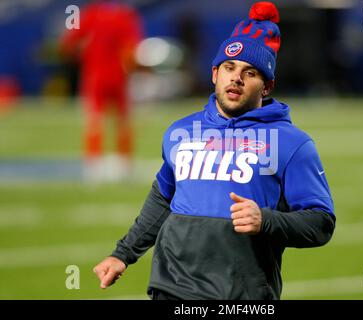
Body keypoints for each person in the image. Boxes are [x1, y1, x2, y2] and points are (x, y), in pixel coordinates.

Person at [93, 1, 335, 300]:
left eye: (250, 72)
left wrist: (266, 220)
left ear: (267, 86)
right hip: (171, 288)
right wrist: (123, 254)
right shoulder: (180, 132)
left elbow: (321, 223)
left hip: (241, 295)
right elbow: (163, 197)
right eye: (229, 68)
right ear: (214, 74)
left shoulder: (292, 144)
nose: (236, 77)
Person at [60, 0, 144, 182]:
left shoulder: (90, 13)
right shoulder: (125, 15)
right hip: (119, 76)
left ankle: (94, 164)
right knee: (123, 120)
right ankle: (124, 164)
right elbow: (132, 49)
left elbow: (69, 42)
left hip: (95, 75)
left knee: (94, 120)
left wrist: (80, 56)